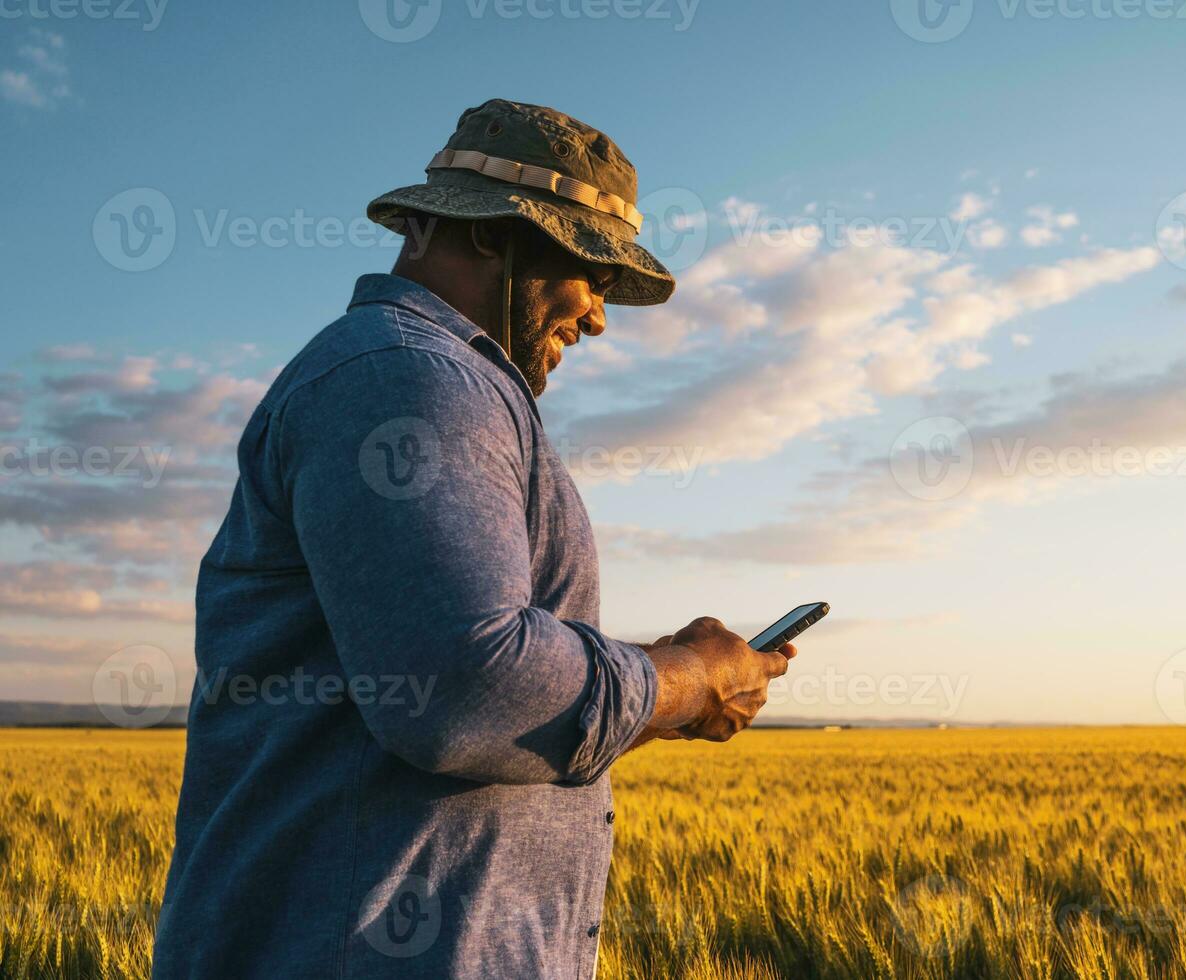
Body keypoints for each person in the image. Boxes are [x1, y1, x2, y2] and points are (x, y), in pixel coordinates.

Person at [151, 98, 796, 980]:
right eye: (589, 271)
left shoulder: (419, 379)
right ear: (493, 235)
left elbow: (459, 680)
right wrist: (685, 680)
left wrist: (669, 683)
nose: (600, 316)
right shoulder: (409, 377)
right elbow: (463, 687)